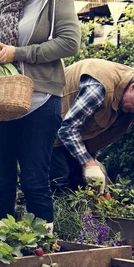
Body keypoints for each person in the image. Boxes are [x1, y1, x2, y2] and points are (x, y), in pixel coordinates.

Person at [0, 0, 80, 229]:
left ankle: (42, 255)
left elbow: (70, 42)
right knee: (0, 184)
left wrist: (18, 53)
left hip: (40, 98)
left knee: (35, 182)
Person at [50, 59, 134, 193]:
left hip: (74, 139)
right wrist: (88, 163)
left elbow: (101, 136)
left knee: (81, 185)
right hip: (52, 129)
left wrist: (93, 162)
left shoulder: (126, 108)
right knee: (60, 182)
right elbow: (67, 129)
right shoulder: (99, 88)